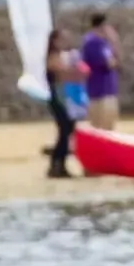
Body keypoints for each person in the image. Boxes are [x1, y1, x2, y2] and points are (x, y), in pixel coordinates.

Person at [46, 28, 88, 178]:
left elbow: (75, 74)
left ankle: (60, 164)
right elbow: (63, 74)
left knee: (68, 130)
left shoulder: (64, 56)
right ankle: (56, 164)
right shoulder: (53, 57)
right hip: (58, 98)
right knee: (64, 130)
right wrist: (75, 72)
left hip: (65, 97)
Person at [80, 12, 122, 130]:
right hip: (99, 92)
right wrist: (115, 42)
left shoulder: (103, 43)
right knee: (101, 128)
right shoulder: (93, 42)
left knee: (109, 127)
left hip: (108, 90)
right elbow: (110, 63)